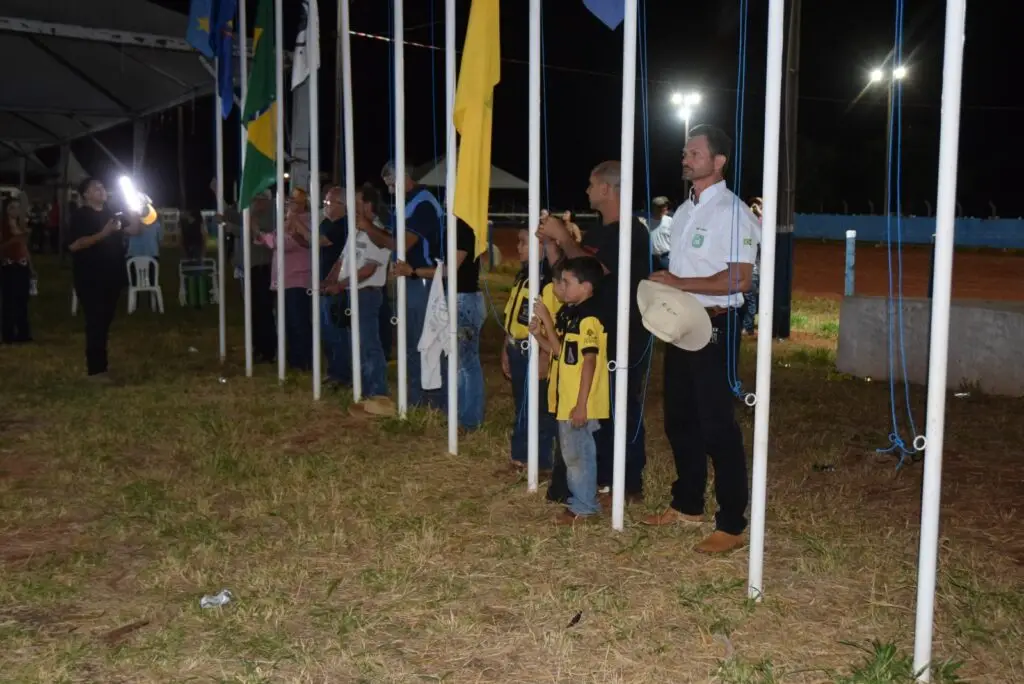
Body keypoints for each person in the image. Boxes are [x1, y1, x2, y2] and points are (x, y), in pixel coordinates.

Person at [642, 124, 760, 555]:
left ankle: (731, 522)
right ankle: (687, 503)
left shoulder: (733, 212)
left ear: (718, 161)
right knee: (680, 420)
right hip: (682, 323)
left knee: (717, 427)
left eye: (694, 152)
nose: (685, 157)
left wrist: (677, 279)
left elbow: (740, 278)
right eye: (685, 152)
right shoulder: (687, 210)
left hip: (717, 326)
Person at [537, 161, 652, 504]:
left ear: (607, 188)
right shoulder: (600, 233)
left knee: (620, 408)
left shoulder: (632, 231)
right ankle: (600, 479)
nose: (586, 190)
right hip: (592, 332)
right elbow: (572, 276)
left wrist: (563, 237)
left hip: (622, 334)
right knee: (595, 409)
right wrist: (552, 246)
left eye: (591, 184)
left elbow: (596, 271)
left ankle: (627, 483)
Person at [531, 256, 610, 525]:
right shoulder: (572, 314)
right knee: (572, 453)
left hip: (579, 401)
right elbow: (561, 352)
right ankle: (581, 502)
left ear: (586, 287)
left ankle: (584, 506)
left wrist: (581, 404)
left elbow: (589, 361)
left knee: (579, 455)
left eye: (567, 282)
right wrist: (540, 334)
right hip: (568, 400)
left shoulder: (589, 319)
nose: (561, 287)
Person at [363, 162, 444, 407]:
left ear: (405, 177)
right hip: (409, 280)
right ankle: (415, 399)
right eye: (386, 183)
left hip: (423, 281)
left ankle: (429, 401)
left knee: (424, 343)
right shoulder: (406, 203)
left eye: (391, 182)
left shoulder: (423, 204)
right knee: (410, 344)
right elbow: (388, 240)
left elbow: (400, 244)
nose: (388, 188)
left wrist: (368, 227)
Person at [394, 216, 485, 429]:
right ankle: (463, 416)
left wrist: (413, 272)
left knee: (465, 365)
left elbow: (449, 270)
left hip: (464, 299)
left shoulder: (463, 228)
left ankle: (468, 420)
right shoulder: (457, 227)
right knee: (461, 363)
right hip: (460, 299)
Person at [67, 178, 143, 380]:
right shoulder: (80, 216)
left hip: (112, 275)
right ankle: (96, 369)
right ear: (85, 194)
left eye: (102, 187)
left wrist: (135, 209)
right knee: (95, 320)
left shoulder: (112, 214)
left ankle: (102, 365)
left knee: (105, 320)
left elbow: (135, 230)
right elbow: (75, 245)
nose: (102, 190)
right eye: (96, 188)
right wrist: (104, 233)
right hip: (90, 276)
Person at [501, 228, 561, 473]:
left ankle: (538, 461)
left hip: (536, 350)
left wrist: (545, 355)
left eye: (524, 242)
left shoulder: (548, 283)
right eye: (519, 241)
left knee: (538, 408)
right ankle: (522, 458)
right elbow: (513, 315)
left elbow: (553, 322)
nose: (518, 247)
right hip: (518, 348)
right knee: (523, 405)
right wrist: (506, 346)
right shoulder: (523, 277)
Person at [322, 183, 390, 398]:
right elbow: (342, 259)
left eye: (357, 202)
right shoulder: (357, 230)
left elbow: (368, 269)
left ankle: (376, 392)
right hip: (350, 292)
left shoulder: (379, 232)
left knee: (368, 344)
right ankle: (358, 385)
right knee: (353, 343)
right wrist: (329, 279)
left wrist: (339, 285)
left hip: (367, 294)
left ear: (368, 205)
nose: (352, 207)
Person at [217, 191, 278, 363]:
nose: (254, 203)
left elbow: (255, 234)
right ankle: (258, 347)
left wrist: (230, 226)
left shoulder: (270, 215)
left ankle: (267, 350)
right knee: (254, 311)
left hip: (262, 268)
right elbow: (239, 219)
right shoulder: (255, 213)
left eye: (257, 199)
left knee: (263, 311)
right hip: (252, 268)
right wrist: (221, 200)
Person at [259, 188, 314, 371]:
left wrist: (268, 237)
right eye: (289, 201)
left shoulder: (306, 220)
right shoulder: (287, 222)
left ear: (303, 203)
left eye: (294, 201)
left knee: (298, 322)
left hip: (298, 279)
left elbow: (283, 243)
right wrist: (260, 235)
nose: (289, 204)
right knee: (288, 323)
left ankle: (303, 360)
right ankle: (294, 359)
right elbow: (273, 239)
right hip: (284, 280)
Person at [317, 186, 350, 387]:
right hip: (325, 283)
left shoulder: (343, 226)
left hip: (338, 286)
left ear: (342, 205)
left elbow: (317, 241)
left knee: (338, 333)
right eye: (325, 202)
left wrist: (295, 222)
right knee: (327, 332)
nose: (325, 206)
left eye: (329, 202)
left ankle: (343, 374)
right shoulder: (326, 223)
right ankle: (333, 371)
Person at [1, 196, 33, 343]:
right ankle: (8, 334)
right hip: (8, 266)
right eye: (12, 207)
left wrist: (31, 266)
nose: (15, 210)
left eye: (17, 207)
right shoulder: (3, 227)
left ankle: (23, 333)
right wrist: (15, 240)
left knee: (22, 301)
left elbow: (24, 247)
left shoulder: (22, 225)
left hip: (22, 265)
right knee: (8, 301)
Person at [742, 197, 763, 335]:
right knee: (751, 300)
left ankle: (746, 325)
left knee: (749, 300)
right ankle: (748, 326)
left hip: (749, 271)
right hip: (751, 270)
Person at [648, 196, 674, 271]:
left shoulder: (671, 221)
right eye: (661, 206)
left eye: (665, 206)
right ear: (654, 208)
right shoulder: (647, 222)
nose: (665, 208)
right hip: (652, 259)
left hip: (667, 258)